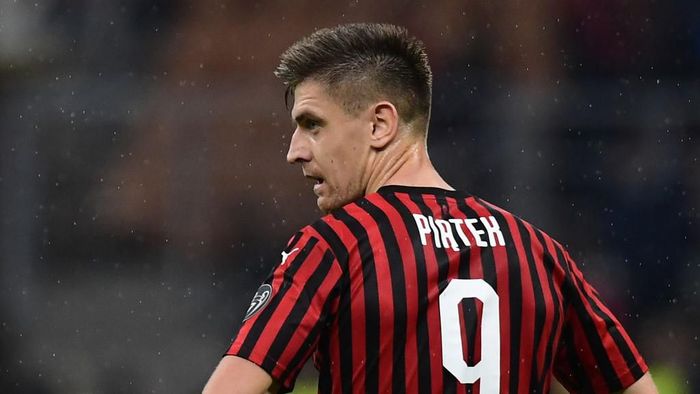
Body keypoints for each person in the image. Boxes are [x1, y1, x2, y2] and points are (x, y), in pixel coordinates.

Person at [203, 23, 657, 394]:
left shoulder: (335, 246)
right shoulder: (536, 251)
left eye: (312, 125)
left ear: (380, 124)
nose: (294, 151)